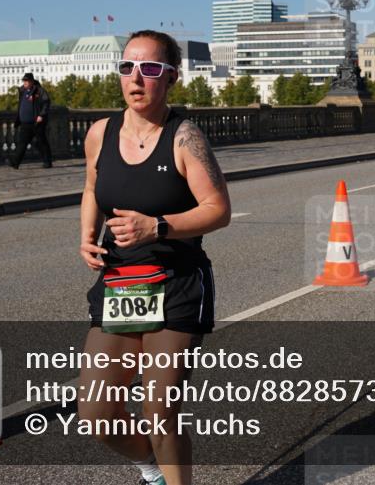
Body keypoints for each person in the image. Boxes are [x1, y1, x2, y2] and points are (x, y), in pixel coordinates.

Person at [77, 30, 231, 485]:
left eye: (150, 69)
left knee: (160, 411)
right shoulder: (100, 133)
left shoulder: (185, 138)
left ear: (171, 78)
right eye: (128, 67)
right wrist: (86, 232)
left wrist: (157, 225)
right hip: (121, 283)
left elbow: (218, 210)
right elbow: (91, 187)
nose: (136, 77)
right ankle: (152, 471)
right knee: (97, 413)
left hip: (176, 284)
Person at [7, 72, 52, 169]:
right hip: (25, 123)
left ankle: (47, 162)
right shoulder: (22, 90)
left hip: (37, 122)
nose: (25, 83)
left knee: (41, 142)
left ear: (31, 81)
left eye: (26, 81)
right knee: (22, 143)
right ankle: (15, 162)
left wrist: (41, 115)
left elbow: (46, 103)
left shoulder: (39, 90)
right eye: (24, 81)